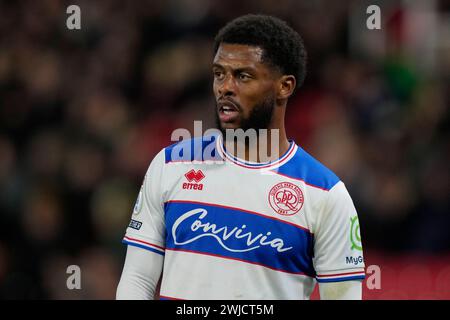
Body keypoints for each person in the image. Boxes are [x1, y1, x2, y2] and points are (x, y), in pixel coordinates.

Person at [116, 14, 365, 300]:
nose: (225, 87)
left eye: (243, 76)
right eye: (219, 74)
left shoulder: (325, 194)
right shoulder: (172, 165)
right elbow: (137, 280)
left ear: (284, 86)